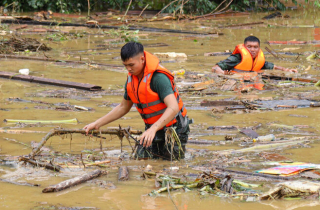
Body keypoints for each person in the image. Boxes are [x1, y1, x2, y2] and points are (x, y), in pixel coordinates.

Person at [84, 42, 190, 160]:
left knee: (170, 165)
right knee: (140, 159)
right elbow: (123, 107)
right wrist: (97, 123)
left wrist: (153, 129)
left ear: (142, 59)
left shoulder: (158, 78)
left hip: (174, 128)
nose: (129, 69)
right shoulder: (131, 79)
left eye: (131, 65)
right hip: (153, 128)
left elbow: (173, 107)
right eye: (125, 65)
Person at [212, 36, 298, 75]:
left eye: (255, 47)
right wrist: (223, 73)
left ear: (259, 48)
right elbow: (215, 68)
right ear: (245, 47)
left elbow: (273, 67)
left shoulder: (259, 60)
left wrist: (287, 70)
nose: (252, 50)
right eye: (249, 47)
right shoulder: (237, 58)